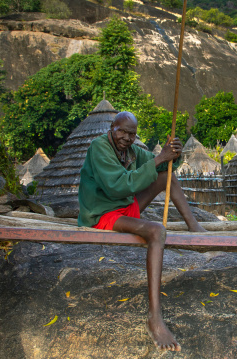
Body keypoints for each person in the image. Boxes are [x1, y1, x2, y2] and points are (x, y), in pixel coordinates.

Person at [78, 111, 205, 351]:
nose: (126, 137)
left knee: (166, 175)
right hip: (103, 212)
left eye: (132, 134)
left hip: (125, 207)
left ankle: (194, 225)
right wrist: (158, 160)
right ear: (112, 127)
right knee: (157, 231)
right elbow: (117, 187)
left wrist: (172, 153)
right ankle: (154, 317)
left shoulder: (132, 151)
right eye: (122, 131)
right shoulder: (99, 147)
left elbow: (162, 163)